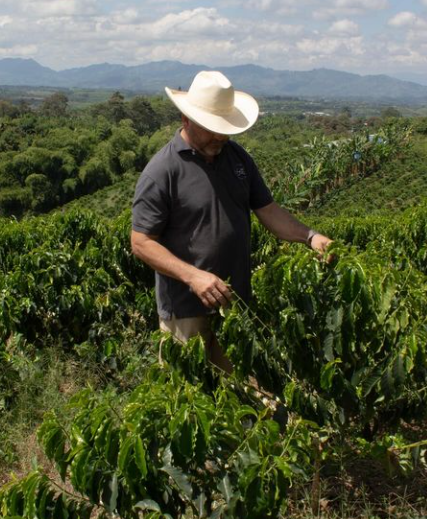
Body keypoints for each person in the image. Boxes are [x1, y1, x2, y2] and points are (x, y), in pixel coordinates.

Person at [131, 70, 332, 371]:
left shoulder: (238, 159)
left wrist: (310, 236)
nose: (221, 136)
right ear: (187, 120)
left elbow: (270, 211)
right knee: (187, 395)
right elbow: (142, 243)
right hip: (185, 310)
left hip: (235, 303)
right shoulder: (162, 171)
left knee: (233, 389)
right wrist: (193, 277)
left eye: (224, 129)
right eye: (212, 129)